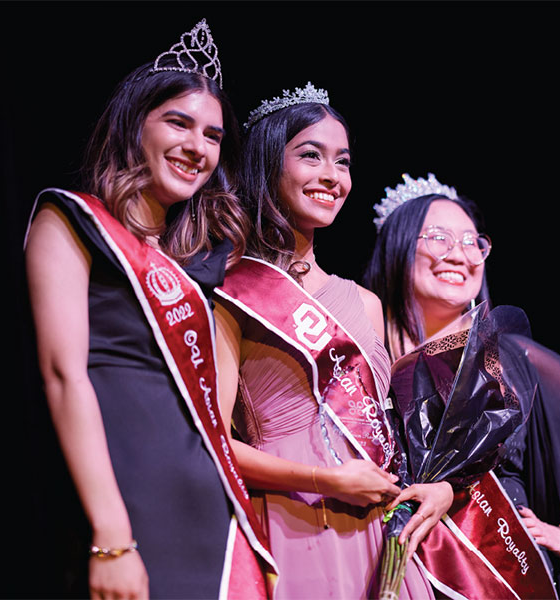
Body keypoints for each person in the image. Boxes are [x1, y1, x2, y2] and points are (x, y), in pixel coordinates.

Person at [23, 20, 275, 599]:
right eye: (178, 123)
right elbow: (64, 379)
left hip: (216, 512)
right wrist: (111, 537)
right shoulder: (71, 222)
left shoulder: (205, 260)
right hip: (127, 514)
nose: (197, 147)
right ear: (134, 125)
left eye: (213, 135)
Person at [364, 173, 560, 599]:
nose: (459, 255)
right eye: (439, 238)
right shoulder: (367, 347)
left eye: (471, 242)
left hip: (496, 567)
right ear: (398, 248)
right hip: (394, 561)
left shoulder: (508, 356)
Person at [213, 84, 450, 599]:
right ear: (266, 164)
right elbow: (213, 443)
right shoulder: (231, 292)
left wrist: (442, 484)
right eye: (310, 155)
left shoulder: (364, 303)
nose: (331, 176)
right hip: (292, 518)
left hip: (379, 528)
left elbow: (396, 435)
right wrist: (329, 480)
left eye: (342, 161)